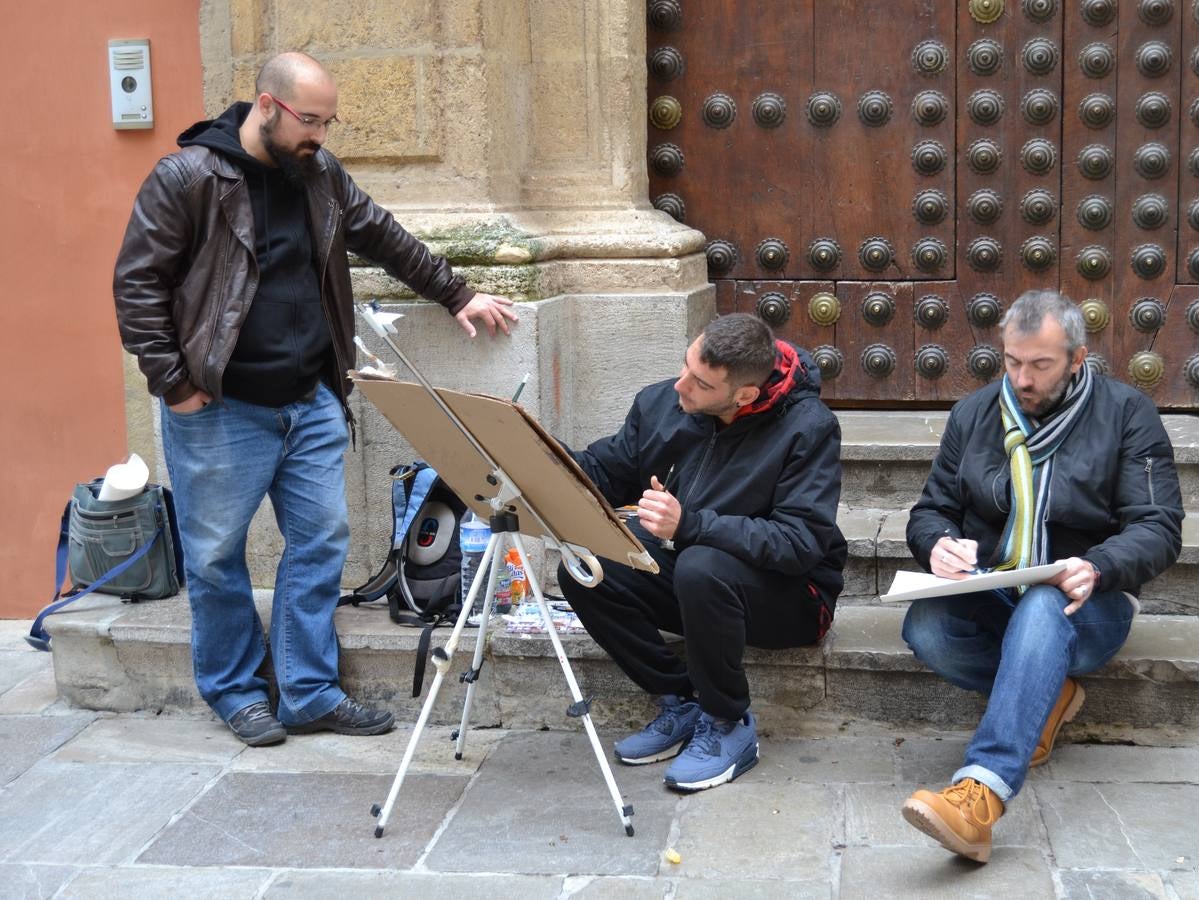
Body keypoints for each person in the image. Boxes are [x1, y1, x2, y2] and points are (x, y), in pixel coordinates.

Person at [112, 52, 517, 747]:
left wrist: (457, 292)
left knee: (320, 541)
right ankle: (237, 692)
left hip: (310, 400)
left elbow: (381, 233)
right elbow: (137, 286)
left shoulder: (317, 173)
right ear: (266, 105)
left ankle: (306, 691)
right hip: (218, 410)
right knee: (214, 557)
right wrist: (174, 384)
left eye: (329, 122)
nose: (321, 136)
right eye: (311, 121)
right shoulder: (188, 178)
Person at [899, 290, 1184, 863]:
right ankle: (1045, 692)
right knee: (926, 628)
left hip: (1085, 601)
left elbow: (1159, 527)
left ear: (1077, 359)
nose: (1022, 379)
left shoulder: (1128, 413)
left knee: (1043, 604)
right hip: (994, 584)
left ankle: (981, 793)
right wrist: (938, 545)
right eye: (1012, 362)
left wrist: (1098, 565)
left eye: (1041, 365)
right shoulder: (974, 413)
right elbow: (931, 510)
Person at [557, 313, 847, 792]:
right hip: (702, 582)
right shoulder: (665, 403)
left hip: (793, 597)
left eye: (700, 382)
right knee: (586, 566)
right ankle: (681, 699)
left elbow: (798, 544)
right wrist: (533, 453)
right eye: (685, 365)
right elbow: (602, 473)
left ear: (744, 396)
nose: (680, 386)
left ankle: (728, 722)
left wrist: (689, 524)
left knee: (700, 564)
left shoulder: (808, 429)